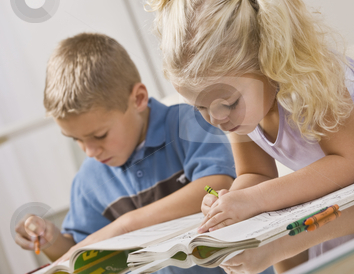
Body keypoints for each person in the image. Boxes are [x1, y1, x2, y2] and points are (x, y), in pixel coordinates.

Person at [147, 0, 354, 273]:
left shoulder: (311, 78)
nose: (216, 118)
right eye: (201, 108)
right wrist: (231, 201)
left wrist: (253, 200)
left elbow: (348, 163)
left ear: (266, 61)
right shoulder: (237, 114)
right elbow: (255, 173)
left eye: (227, 103)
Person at [14, 32, 238, 274]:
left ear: (138, 99)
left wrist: (125, 225)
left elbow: (216, 183)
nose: (90, 151)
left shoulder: (186, 123)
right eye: (76, 139)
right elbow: (80, 254)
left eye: (99, 135)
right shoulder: (87, 181)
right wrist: (51, 239)